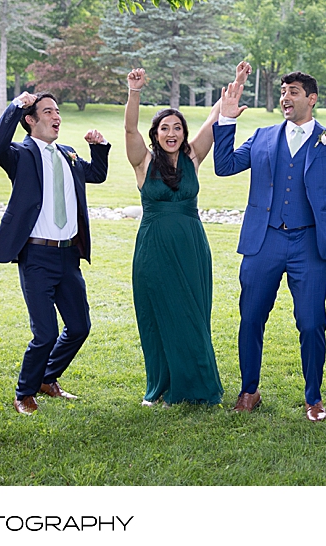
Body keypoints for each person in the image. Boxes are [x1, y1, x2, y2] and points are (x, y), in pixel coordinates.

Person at [213, 71, 326, 422]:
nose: (286, 97)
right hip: (263, 240)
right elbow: (223, 167)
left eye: (293, 92)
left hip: (310, 243)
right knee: (251, 317)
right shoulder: (262, 137)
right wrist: (225, 118)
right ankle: (248, 390)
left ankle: (313, 397)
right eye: (283, 92)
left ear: (311, 99)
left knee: (312, 322)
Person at [123, 64, 246, 406]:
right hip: (154, 250)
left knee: (192, 313)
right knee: (159, 315)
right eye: (165, 128)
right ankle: (161, 384)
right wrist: (135, 91)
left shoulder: (192, 156)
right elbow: (130, 128)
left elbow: (213, 120)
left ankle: (196, 386)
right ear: (156, 134)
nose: (172, 133)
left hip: (192, 248)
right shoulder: (142, 163)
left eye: (178, 127)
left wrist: (236, 85)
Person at [0, 91, 109, 415]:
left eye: (57, 111)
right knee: (45, 333)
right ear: (31, 120)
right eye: (47, 111)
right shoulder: (21, 154)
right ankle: (24, 392)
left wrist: (98, 148)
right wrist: (16, 105)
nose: (56, 117)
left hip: (68, 256)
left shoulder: (68, 154)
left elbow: (97, 174)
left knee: (80, 326)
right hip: (36, 257)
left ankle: (47, 379)